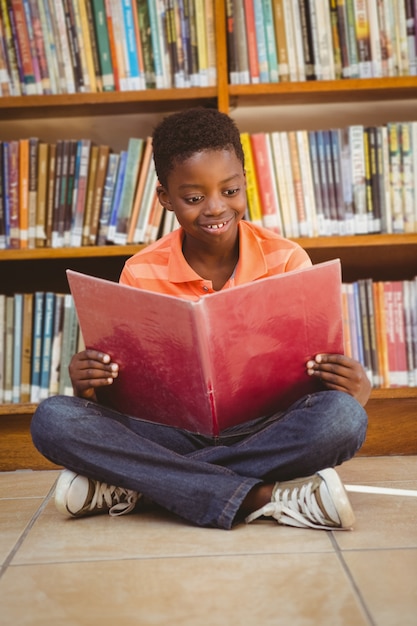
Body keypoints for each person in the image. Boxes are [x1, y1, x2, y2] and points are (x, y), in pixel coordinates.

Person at [31, 108, 371, 531]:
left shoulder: (287, 259)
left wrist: (355, 387)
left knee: (343, 418)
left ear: (245, 182)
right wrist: (89, 386)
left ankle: (139, 485)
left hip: (265, 428)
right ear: (164, 198)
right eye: (194, 198)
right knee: (54, 420)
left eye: (229, 190)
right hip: (171, 432)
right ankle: (259, 496)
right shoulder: (140, 271)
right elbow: (130, 391)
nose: (215, 208)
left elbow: (316, 369)